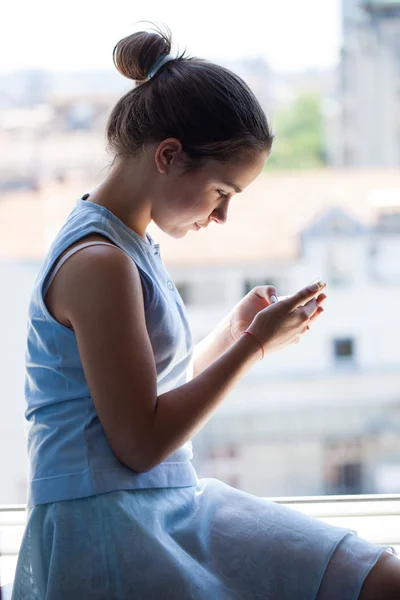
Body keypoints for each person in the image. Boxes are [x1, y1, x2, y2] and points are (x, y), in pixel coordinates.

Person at [12, 26, 400, 600]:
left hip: (159, 502)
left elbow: (148, 396)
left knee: (375, 576)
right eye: (222, 192)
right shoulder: (99, 262)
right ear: (168, 156)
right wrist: (253, 347)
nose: (221, 218)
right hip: (112, 525)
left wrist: (234, 335)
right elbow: (140, 444)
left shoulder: (127, 243)